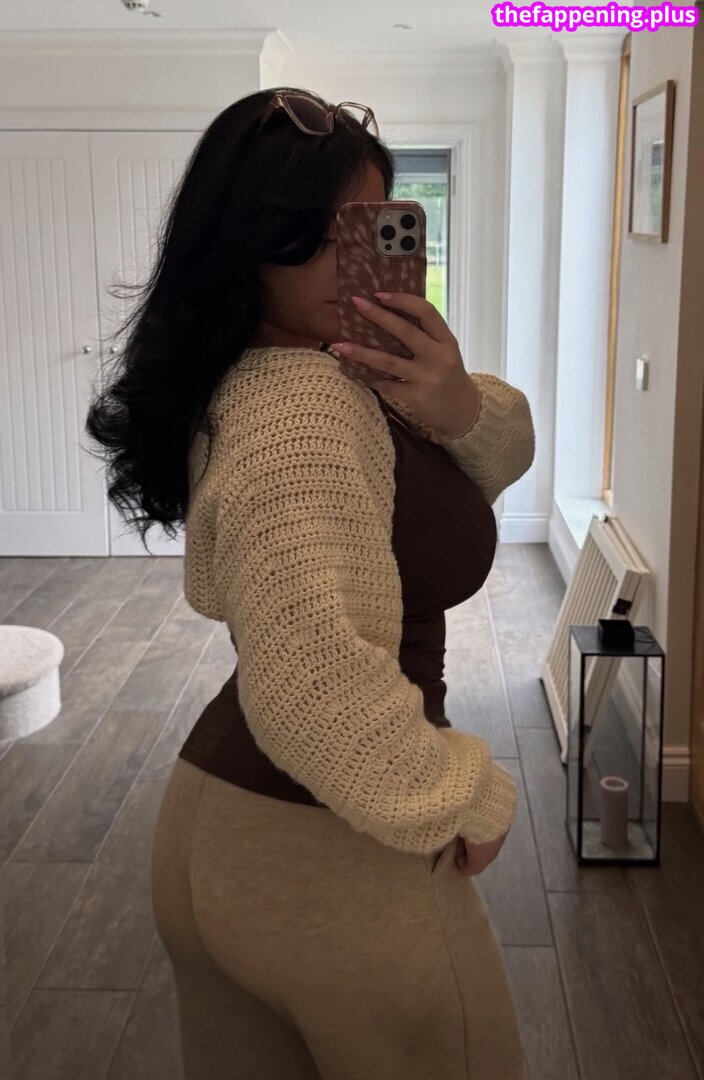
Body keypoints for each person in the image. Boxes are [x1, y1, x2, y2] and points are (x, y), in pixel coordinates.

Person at [85, 86, 535, 1080]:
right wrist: (470, 794)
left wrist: (455, 401)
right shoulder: (304, 410)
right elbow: (312, 683)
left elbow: (504, 448)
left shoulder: (320, 374)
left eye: (367, 227)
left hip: (221, 829)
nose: (349, 259)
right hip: (327, 856)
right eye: (314, 234)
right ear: (249, 243)